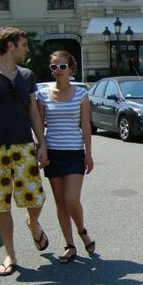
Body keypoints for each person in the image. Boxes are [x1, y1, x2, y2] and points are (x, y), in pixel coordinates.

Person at [0, 27, 49, 276]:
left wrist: (42, 143)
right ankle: (10, 255)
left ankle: (33, 224)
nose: (27, 49)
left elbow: (33, 111)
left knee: (35, 199)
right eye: (24, 45)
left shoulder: (27, 75)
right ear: (11, 46)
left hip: (24, 146)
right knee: (0, 205)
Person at [36, 51, 95, 263]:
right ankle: (70, 245)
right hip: (53, 153)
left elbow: (86, 125)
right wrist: (41, 148)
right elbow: (39, 125)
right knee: (60, 202)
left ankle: (82, 231)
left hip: (74, 152)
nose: (58, 71)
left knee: (72, 199)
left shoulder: (81, 94)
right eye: (54, 67)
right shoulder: (42, 94)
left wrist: (89, 154)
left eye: (62, 67)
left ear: (71, 69)